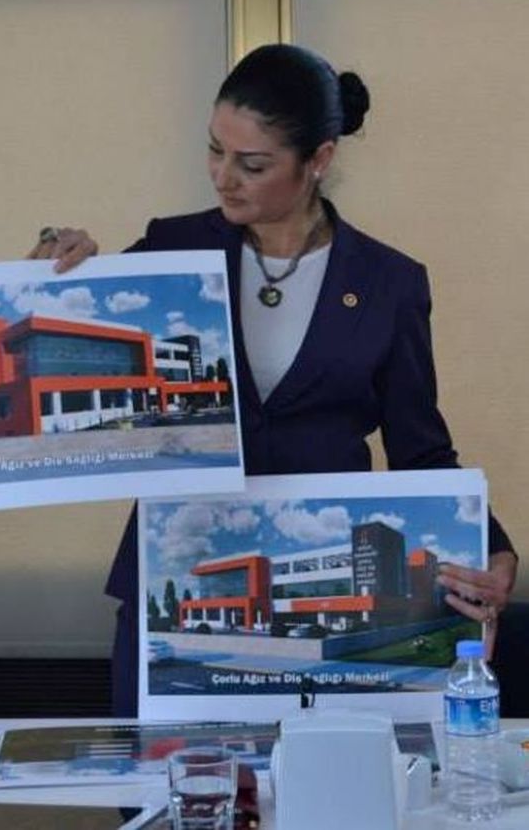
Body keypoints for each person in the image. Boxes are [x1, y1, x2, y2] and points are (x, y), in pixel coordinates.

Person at [27, 44, 518, 716]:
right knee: (162, 779)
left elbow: (422, 449)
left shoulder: (389, 283)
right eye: (214, 151)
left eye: (251, 164)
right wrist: (55, 269)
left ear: (318, 160)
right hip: (179, 574)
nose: (223, 178)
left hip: (319, 588)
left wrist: (494, 549)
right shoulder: (173, 248)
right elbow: (81, 345)